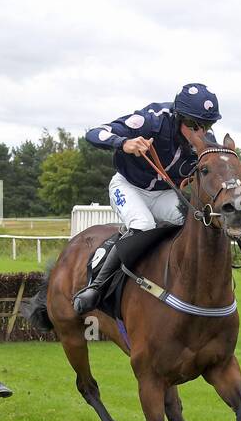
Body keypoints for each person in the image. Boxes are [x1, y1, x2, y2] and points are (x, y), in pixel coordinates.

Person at [72, 83, 222, 314]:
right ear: (179, 117)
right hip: (128, 186)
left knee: (194, 224)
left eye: (207, 125)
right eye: (194, 125)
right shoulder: (151, 120)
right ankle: (97, 287)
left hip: (164, 194)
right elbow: (94, 133)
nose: (201, 133)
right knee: (143, 224)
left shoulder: (205, 140)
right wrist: (124, 143)